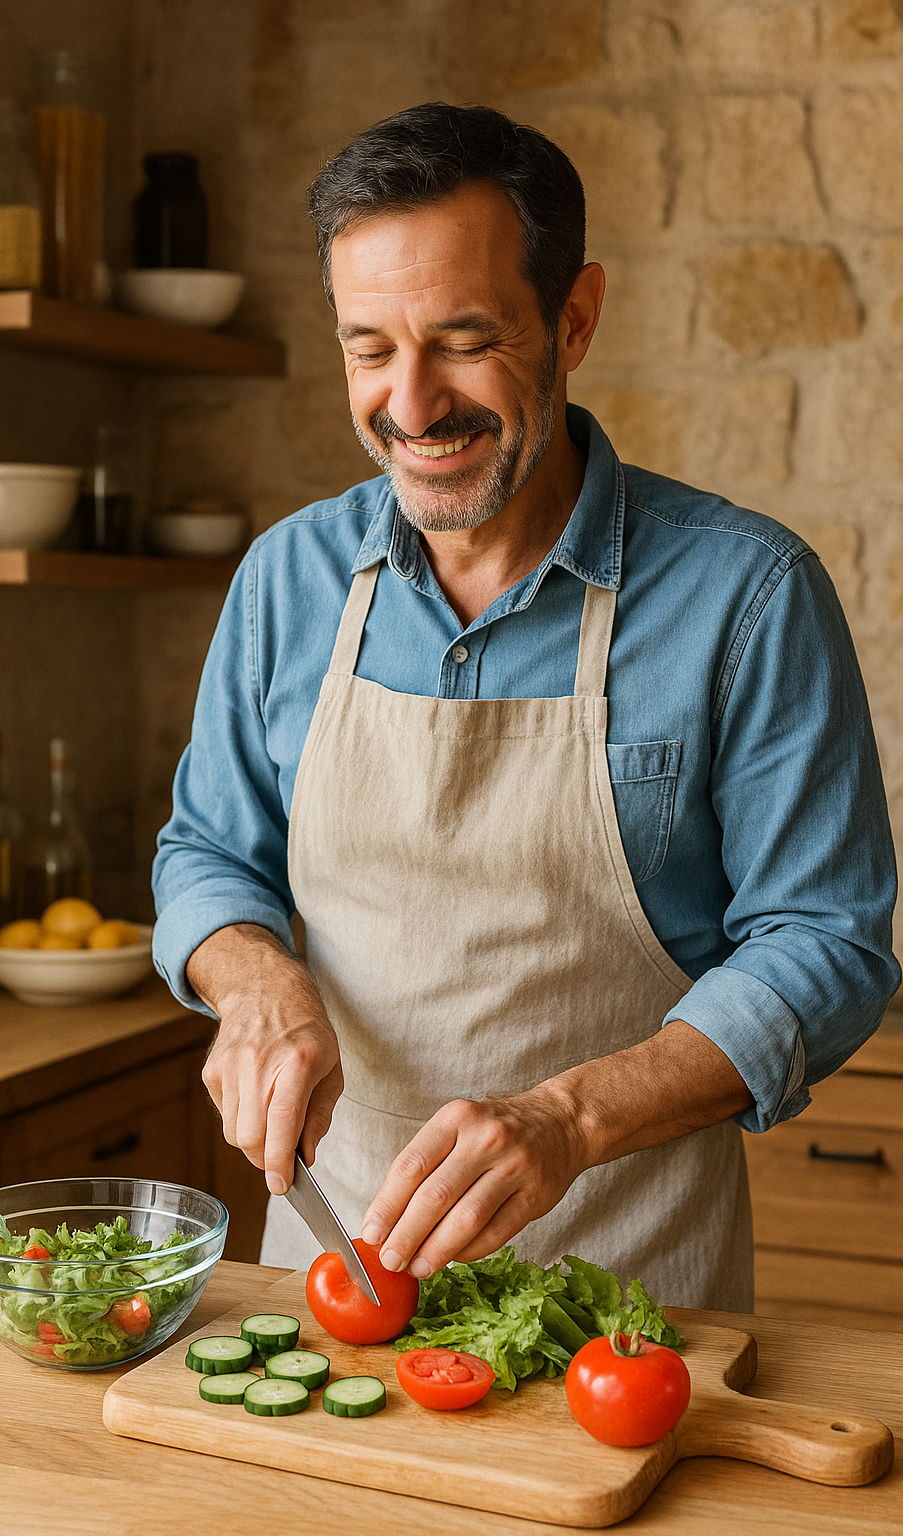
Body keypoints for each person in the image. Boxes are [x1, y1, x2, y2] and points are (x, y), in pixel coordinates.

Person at [152, 103, 899, 1310]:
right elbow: (207, 852)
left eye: (462, 339)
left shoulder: (747, 595)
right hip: (338, 1280)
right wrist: (255, 983)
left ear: (575, 318)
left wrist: (566, 1115)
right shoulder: (286, 582)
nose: (411, 403)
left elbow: (828, 940)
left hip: (636, 1305)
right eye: (368, 348)